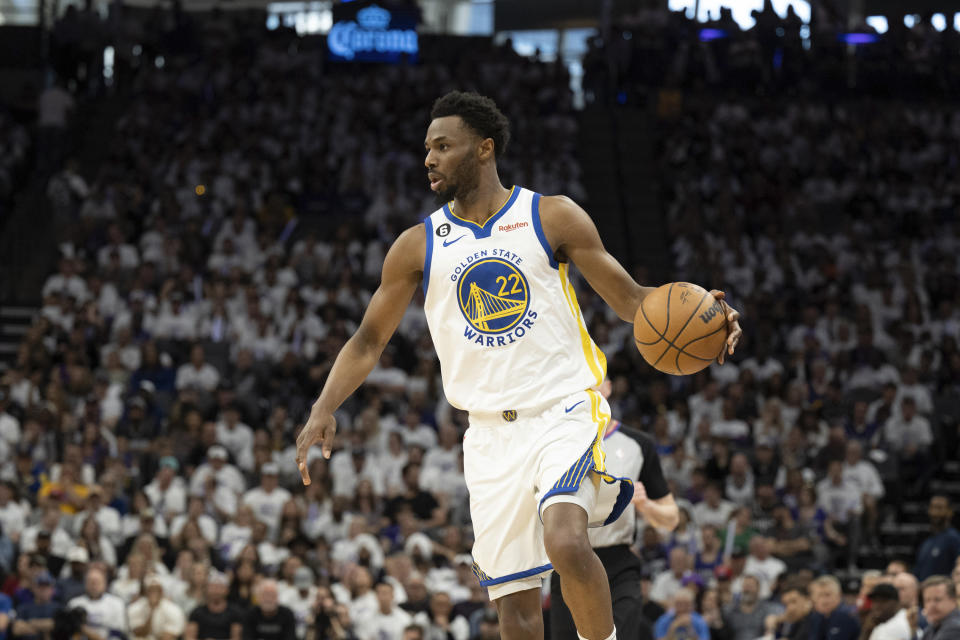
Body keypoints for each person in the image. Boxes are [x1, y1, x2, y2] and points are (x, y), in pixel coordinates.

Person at [293, 90, 743, 640]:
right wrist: (324, 405)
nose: (428, 158)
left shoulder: (549, 215)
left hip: (562, 410)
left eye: (443, 146)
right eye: (426, 147)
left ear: (484, 149)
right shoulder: (417, 246)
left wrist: (710, 319)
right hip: (487, 436)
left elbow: (632, 301)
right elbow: (367, 340)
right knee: (516, 609)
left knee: (566, 539)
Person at [550, 378, 679, 640]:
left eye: (592, 382)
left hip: (618, 564)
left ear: (607, 387)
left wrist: (646, 505)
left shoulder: (637, 444)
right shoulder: (553, 444)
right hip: (567, 562)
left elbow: (672, 519)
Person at [67, 566, 128, 640]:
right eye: (91, 582)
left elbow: (119, 632)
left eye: (97, 582)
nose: (94, 585)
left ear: (105, 584)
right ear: (85, 583)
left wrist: (91, 634)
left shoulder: (117, 603)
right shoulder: (74, 604)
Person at [185, 572, 243, 640]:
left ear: (227, 590)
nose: (216, 590)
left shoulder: (235, 613)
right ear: (207, 589)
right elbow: (189, 637)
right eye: (213, 587)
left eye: (220, 587)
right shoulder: (196, 612)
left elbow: (236, 637)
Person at [915, 496, 960, 581]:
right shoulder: (926, 541)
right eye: (933, 507)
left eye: (940, 508)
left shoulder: (954, 538)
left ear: (950, 511)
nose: (935, 512)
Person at [128, 575, 186, 640]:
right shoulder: (135, 608)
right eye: (151, 590)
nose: (154, 593)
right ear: (145, 592)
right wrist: (152, 611)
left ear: (162, 591)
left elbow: (169, 636)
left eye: (157, 590)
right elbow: (138, 633)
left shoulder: (174, 610)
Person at [808, 576, 859, 640]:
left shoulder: (846, 615)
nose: (824, 601)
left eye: (828, 595)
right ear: (813, 598)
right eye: (819, 595)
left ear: (839, 595)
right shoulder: (816, 616)